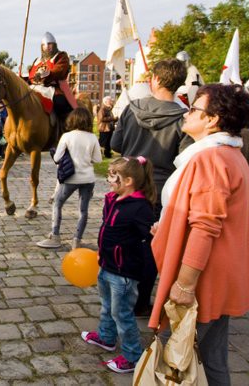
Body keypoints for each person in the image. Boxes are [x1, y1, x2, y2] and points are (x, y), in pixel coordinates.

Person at [151, 84, 249, 385]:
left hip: (203, 275)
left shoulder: (211, 158)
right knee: (212, 355)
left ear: (212, 120)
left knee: (173, 352)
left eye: (194, 109)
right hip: (217, 271)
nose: (187, 113)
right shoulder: (228, 154)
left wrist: (185, 284)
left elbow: (206, 225)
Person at [109, 58, 187, 315]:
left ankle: (117, 295)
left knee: (120, 238)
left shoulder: (131, 109)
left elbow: (116, 144)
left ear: (154, 79)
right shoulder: (184, 119)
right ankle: (140, 301)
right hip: (159, 190)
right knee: (149, 246)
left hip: (126, 185)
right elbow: (185, 159)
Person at [80, 156, 155, 374]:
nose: (109, 179)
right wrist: (101, 252)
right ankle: (106, 337)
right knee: (106, 305)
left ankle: (133, 357)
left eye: (113, 175)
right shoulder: (114, 199)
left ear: (129, 180)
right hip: (106, 265)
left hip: (123, 272)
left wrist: (155, 234)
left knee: (122, 314)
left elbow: (150, 238)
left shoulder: (140, 207)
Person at [37, 108, 102, 249]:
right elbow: (98, 159)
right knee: (83, 210)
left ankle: (55, 236)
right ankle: (77, 241)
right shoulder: (92, 137)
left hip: (71, 178)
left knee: (57, 203)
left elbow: (57, 158)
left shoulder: (67, 136)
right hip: (88, 178)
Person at [27, 32, 73, 125]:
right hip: (34, 89)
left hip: (52, 89)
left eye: (49, 44)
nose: (47, 47)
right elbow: (30, 76)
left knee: (61, 105)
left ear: (54, 45)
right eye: (44, 45)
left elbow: (59, 70)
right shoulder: (37, 60)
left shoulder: (61, 56)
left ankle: (65, 127)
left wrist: (45, 75)